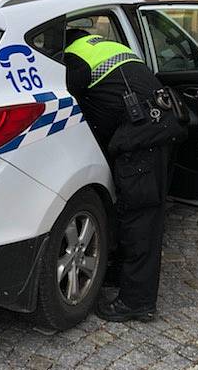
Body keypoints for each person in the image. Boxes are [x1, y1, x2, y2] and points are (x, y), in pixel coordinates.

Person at [64, 28, 184, 322]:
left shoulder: (74, 60)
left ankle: (137, 302)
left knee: (141, 219)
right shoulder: (105, 47)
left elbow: (68, 101)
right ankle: (119, 275)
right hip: (162, 126)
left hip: (143, 139)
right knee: (135, 212)